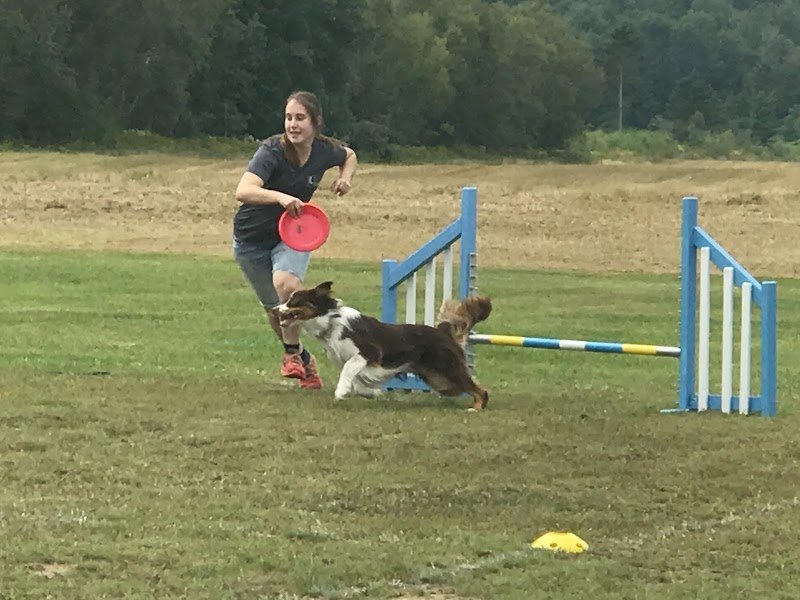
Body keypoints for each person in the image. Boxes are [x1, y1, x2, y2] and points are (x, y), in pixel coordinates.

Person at [233, 91, 357, 389]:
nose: (293, 124)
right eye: (289, 118)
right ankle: (303, 358)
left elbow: (349, 155)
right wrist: (280, 197)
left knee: (287, 285)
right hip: (250, 240)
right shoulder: (272, 151)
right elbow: (243, 190)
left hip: (293, 234)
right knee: (275, 308)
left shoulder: (324, 151)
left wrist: (345, 178)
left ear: (315, 123)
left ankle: (290, 354)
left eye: (300, 118)